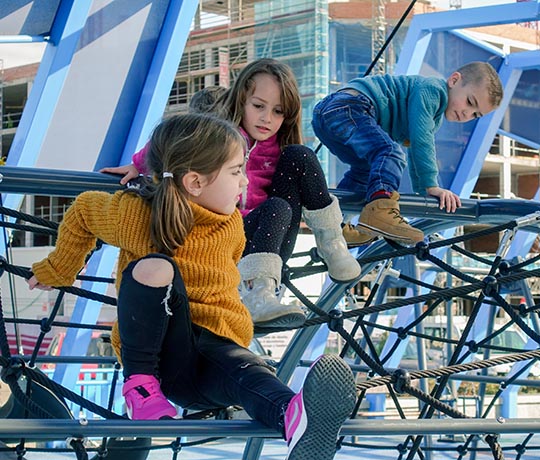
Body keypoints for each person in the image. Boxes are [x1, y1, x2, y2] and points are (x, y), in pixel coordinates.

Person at [27, 113, 357, 459]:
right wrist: (59, 270)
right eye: (235, 172)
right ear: (195, 183)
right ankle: (139, 389)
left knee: (249, 372)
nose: (245, 182)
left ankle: (295, 419)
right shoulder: (136, 214)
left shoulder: (230, 222)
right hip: (163, 359)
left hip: (216, 360)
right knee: (156, 268)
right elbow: (82, 211)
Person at [215, 58, 361, 328]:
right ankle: (256, 295)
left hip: (271, 242)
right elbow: (173, 143)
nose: (266, 118)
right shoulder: (219, 137)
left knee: (300, 156)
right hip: (229, 238)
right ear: (240, 101)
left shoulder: (281, 149)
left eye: (278, 111)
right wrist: (139, 165)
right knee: (277, 208)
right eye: (258, 106)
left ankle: (332, 245)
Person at [312, 61, 504, 245]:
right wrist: (432, 185)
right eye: (470, 102)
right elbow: (422, 140)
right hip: (349, 107)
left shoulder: (434, 114)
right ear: (454, 80)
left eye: (475, 115)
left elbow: (416, 151)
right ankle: (381, 208)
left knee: (368, 171)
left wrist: (425, 193)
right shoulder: (433, 90)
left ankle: (332, 229)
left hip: (329, 118)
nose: (467, 114)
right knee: (390, 152)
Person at [99, 85, 228, 186]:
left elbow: (161, 144)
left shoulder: (184, 135)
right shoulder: (231, 140)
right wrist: (137, 166)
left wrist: (137, 166)